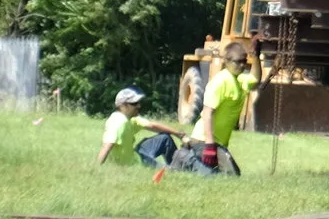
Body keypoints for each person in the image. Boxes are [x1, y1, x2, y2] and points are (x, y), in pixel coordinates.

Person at [183, 40, 258, 174]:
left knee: (230, 174)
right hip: (203, 141)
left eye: (244, 61)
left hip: (219, 143)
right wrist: (210, 145)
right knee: (231, 176)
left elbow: (255, 78)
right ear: (226, 61)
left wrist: (256, 56)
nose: (242, 65)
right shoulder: (220, 81)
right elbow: (207, 113)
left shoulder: (239, 79)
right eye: (238, 61)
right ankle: (186, 160)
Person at [96, 86, 182, 169]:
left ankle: (177, 164)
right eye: (134, 103)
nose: (139, 106)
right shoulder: (118, 123)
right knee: (169, 171)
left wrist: (178, 134)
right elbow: (107, 146)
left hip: (136, 155)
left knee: (165, 138)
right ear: (123, 106)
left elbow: (152, 126)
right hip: (135, 164)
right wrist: (96, 168)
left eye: (138, 103)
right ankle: (177, 169)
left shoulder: (130, 119)